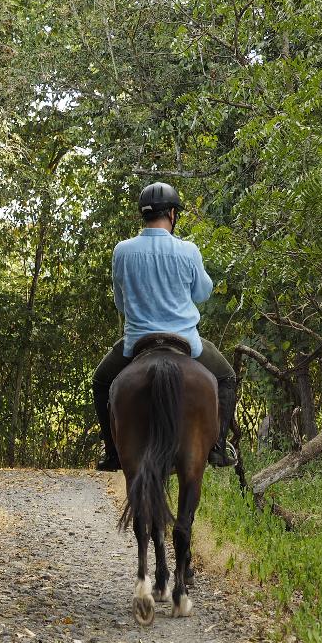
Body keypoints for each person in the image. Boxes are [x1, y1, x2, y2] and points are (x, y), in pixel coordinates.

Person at [93, 181, 237, 471]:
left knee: (101, 381)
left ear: (143, 214)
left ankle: (111, 452)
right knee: (226, 378)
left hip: (137, 343)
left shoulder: (122, 250)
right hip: (186, 343)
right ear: (172, 214)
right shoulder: (188, 250)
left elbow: (120, 303)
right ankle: (218, 449)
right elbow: (203, 294)